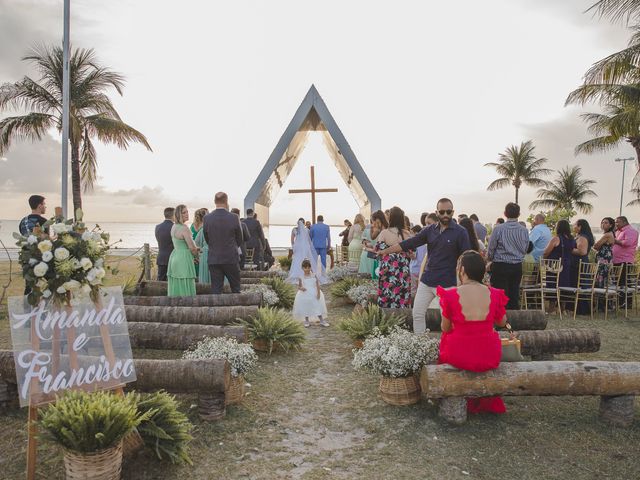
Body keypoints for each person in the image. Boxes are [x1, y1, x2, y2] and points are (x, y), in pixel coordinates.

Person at [373, 198, 470, 333]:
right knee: (417, 314)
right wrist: (384, 251)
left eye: (449, 211)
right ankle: (420, 343)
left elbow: (466, 257)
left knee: (448, 320)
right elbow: (408, 243)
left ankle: (447, 349)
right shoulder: (430, 230)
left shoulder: (460, 232)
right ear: (437, 213)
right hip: (427, 280)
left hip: (448, 284)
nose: (446, 215)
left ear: (453, 212)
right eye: (442, 212)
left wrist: (465, 282)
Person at [437, 250, 508, 414]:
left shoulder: (450, 295)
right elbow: (502, 322)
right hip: (489, 353)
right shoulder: (495, 293)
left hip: (459, 354)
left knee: (446, 337)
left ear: (462, 270)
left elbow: (445, 328)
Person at [487, 202, 529, 310]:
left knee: (500, 296)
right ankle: (514, 322)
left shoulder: (498, 229)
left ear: (505, 213)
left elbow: (491, 247)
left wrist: (490, 259)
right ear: (519, 214)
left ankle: (501, 321)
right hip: (517, 266)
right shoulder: (524, 230)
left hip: (501, 265)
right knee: (514, 295)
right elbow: (525, 249)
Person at [203, 192, 243, 294]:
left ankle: (216, 309)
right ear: (226, 201)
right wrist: (232, 247)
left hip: (214, 258)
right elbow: (239, 238)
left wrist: (214, 246)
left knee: (216, 290)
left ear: (214, 201)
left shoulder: (207, 218)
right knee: (236, 288)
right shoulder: (234, 217)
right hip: (231, 258)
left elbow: (207, 238)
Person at [374, 206, 413, 308]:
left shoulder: (384, 233)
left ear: (390, 218)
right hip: (403, 267)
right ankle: (402, 317)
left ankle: (386, 316)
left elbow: (378, 250)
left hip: (388, 267)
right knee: (402, 293)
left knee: (386, 292)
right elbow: (411, 252)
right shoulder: (406, 233)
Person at [167, 205, 199, 297]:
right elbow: (192, 248)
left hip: (175, 256)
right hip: (183, 258)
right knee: (185, 283)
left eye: (187, 212)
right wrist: (196, 256)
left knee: (177, 284)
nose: (187, 214)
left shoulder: (174, 226)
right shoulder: (184, 228)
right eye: (184, 212)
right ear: (178, 215)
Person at [287, 219, 328, 285]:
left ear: (297, 223)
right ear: (304, 223)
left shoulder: (294, 229)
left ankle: (297, 274)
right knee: (306, 259)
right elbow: (309, 240)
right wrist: (310, 247)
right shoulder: (307, 230)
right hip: (305, 247)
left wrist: (293, 246)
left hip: (298, 247)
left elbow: (292, 240)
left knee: (297, 260)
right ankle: (306, 272)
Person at [292, 259, 329, 327]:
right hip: (305, 294)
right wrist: (302, 288)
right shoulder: (301, 277)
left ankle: (321, 320)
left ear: (310, 267)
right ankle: (307, 320)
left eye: (309, 267)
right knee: (306, 306)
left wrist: (318, 293)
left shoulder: (314, 275)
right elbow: (299, 286)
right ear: (302, 268)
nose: (307, 269)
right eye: (305, 267)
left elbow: (317, 284)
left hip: (314, 292)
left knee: (317, 305)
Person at [613, 216, 639, 307]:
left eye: (617, 222)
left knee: (624, 282)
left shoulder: (631, 231)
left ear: (624, 222)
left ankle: (627, 303)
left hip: (624, 260)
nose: (616, 224)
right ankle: (619, 302)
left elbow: (627, 243)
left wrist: (614, 241)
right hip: (616, 260)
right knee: (618, 282)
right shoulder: (618, 231)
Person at [543, 219, 576, 289]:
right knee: (564, 284)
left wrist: (544, 260)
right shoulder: (572, 239)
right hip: (567, 264)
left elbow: (546, 252)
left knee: (554, 285)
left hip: (555, 265)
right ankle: (562, 298)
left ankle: (553, 298)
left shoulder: (556, 238)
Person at [593, 217, 615, 289]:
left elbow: (596, 246)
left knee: (601, 274)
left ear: (611, 225)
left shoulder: (607, 235)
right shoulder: (611, 234)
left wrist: (597, 246)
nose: (603, 224)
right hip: (607, 256)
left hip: (604, 257)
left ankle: (600, 296)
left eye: (606, 223)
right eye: (602, 222)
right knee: (604, 274)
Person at [155, 207, 175, 281]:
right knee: (172, 281)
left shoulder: (157, 227)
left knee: (160, 281)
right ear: (173, 215)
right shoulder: (174, 226)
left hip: (161, 257)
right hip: (172, 258)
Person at [190, 208, 208, 278]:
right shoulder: (205, 226)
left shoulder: (192, 226)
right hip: (202, 251)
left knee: (195, 270)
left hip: (193, 250)